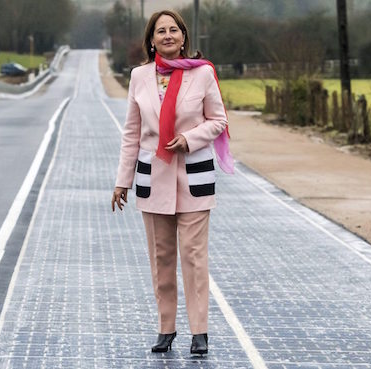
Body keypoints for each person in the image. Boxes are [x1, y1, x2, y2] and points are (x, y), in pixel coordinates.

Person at [110, 10, 234, 355]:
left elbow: (218, 121)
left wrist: (190, 139)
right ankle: (166, 329)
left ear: (183, 36)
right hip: (153, 179)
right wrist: (123, 181)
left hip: (194, 177)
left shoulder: (203, 73)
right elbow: (132, 133)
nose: (167, 35)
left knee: (194, 257)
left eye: (174, 30)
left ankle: (200, 332)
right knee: (161, 258)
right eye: (160, 31)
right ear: (151, 40)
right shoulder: (139, 77)